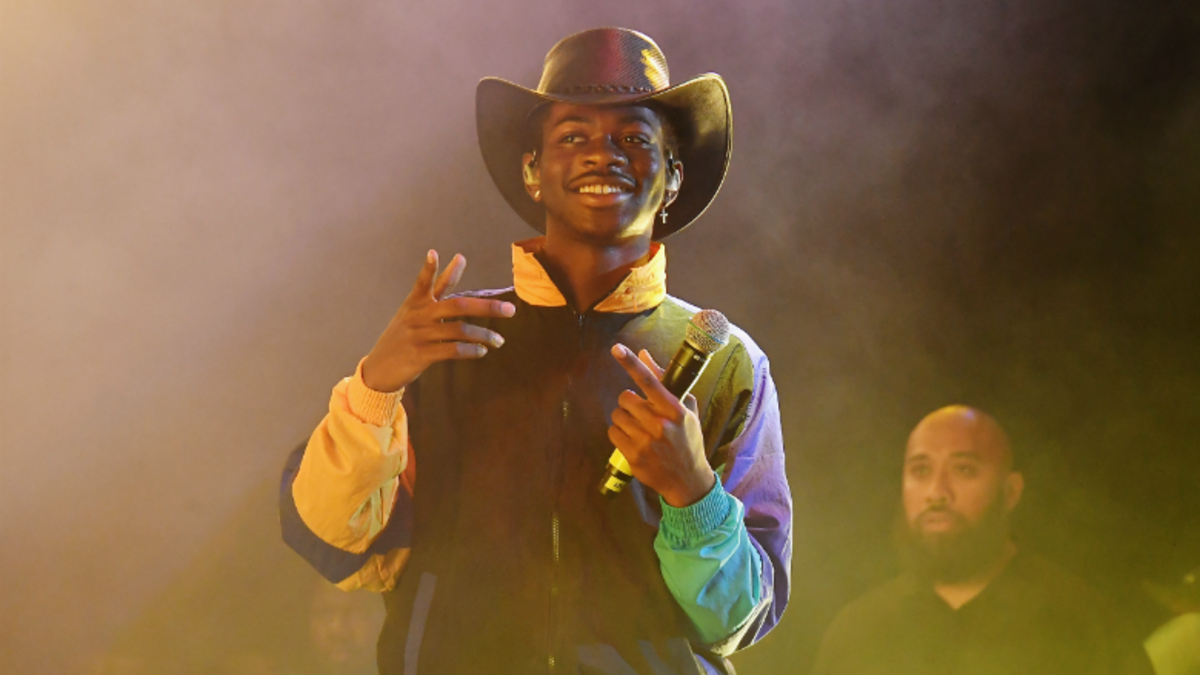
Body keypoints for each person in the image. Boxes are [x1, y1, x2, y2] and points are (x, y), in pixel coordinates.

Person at [278, 27, 792, 675]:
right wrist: (376, 386)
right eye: (572, 136)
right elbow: (335, 542)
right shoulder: (449, 340)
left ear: (672, 177)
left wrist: (693, 492)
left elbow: (739, 620)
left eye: (634, 138)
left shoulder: (727, 364)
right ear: (532, 172)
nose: (602, 154)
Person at [810, 405, 1153, 675]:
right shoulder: (857, 632)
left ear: (1011, 491)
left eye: (964, 470)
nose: (936, 492)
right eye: (920, 471)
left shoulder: (1086, 626)